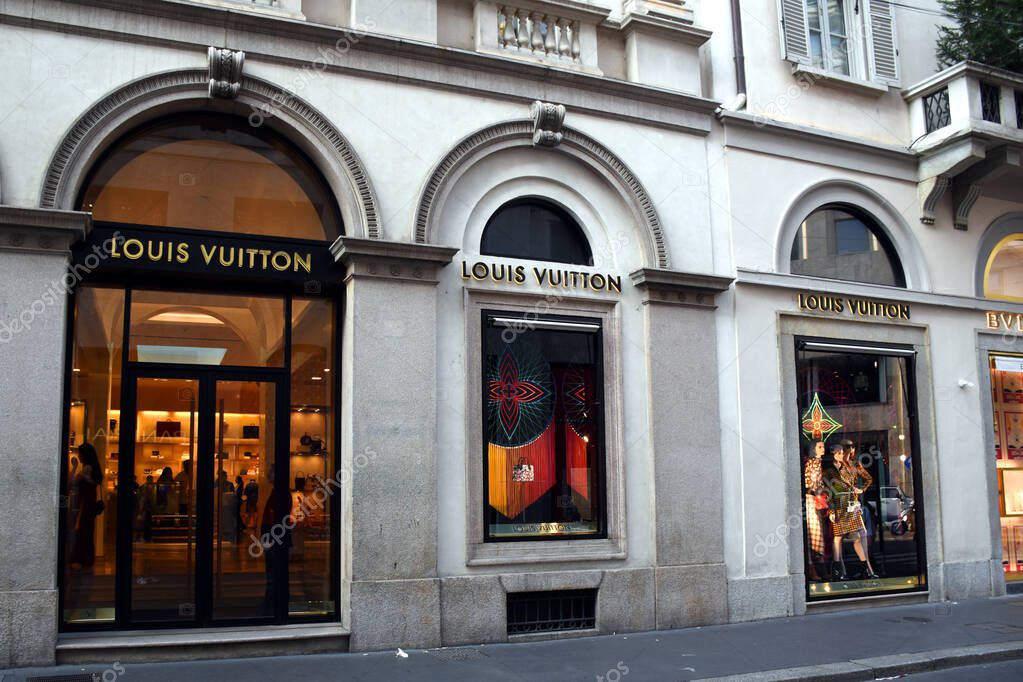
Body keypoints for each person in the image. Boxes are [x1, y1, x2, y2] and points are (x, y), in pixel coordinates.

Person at [824, 440, 879, 581]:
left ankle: (865, 569)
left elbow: (865, 479)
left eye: (844, 451)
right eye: (840, 452)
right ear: (834, 454)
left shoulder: (848, 466)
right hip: (839, 504)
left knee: (861, 533)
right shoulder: (829, 470)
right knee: (839, 536)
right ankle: (838, 570)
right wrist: (831, 510)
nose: (843, 454)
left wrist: (860, 490)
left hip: (851, 503)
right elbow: (827, 491)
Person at [69, 443, 104, 570]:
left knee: (83, 531)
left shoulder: (87, 469)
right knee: (87, 532)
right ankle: (86, 559)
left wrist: (74, 470)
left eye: (80, 453)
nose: (79, 455)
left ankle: (80, 559)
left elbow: (74, 482)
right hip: (90, 505)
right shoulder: (93, 469)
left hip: (85, 505)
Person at [803, 440, 827, 581]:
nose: (822, 448)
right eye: (820, 447)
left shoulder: (817, 462)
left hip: (815, 500)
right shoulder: (812, 463)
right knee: (814, 534)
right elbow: (810, 484)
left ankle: (819, 570)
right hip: (811, 500)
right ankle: (814, 570)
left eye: (823, 446)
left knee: (817, 535)